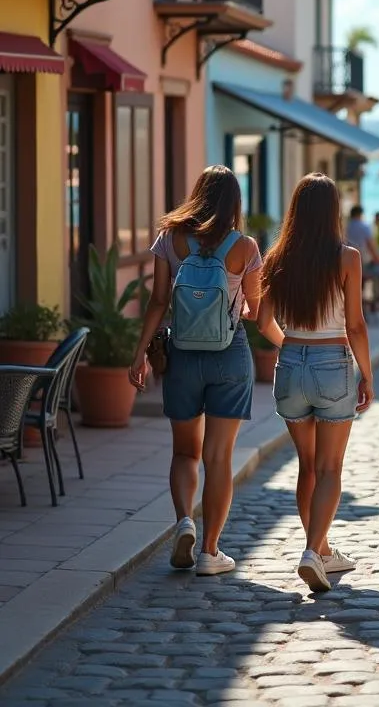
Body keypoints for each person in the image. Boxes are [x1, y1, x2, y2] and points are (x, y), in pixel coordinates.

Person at [129, 165, 262, 576]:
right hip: (229, 354)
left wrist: (140, 355)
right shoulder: (245, 247)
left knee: (185, 451)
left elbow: (156, 302)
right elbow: (254, 311)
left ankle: (184, 519)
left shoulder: (171, 239)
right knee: (218, 457)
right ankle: (209, 551)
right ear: (234, 203)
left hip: (182, 353)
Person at [257, 174, 375, 593]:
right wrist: (366, 373)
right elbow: (356, 325)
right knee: (329, 468)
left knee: (306, 466)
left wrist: (289, 345)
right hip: (332, 362)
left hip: (291, 362)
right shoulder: (347, 258)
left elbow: (262, 320)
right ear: (332, 213)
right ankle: (312, 551)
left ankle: (321, 549)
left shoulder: (276, 259)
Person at [348, 205, 379, 313]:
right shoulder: (364, 227)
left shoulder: (346, 227)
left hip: (349, 265)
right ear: (360, 214)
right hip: (363, 266)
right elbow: (373, 250)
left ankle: (366, 305)